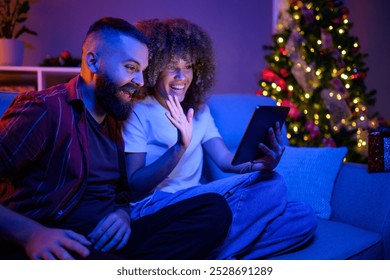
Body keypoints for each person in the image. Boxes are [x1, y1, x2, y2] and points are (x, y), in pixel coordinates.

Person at [0, 17, 233, 260]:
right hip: (62, 242)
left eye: (143, 71)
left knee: (214, 210)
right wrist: (32, 234)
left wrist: (122, 213)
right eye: (131, 68)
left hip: (111, 239)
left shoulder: (117, 117)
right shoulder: (44, 109)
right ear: (93, 61)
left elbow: (124, 191)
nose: (141, 82)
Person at [123, 18, 317, 260]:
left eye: (189, 66)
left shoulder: (199, 110)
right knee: (274, 185)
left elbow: (225, 160)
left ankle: (208, 252)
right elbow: (134, 185)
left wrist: (260, 164)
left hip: (200, 202)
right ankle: (218, 250)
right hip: (156, 206)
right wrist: (179, 148)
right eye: (172, 66)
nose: (181, 76)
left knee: (303, 216)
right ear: (154, 67)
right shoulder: (138, 110)